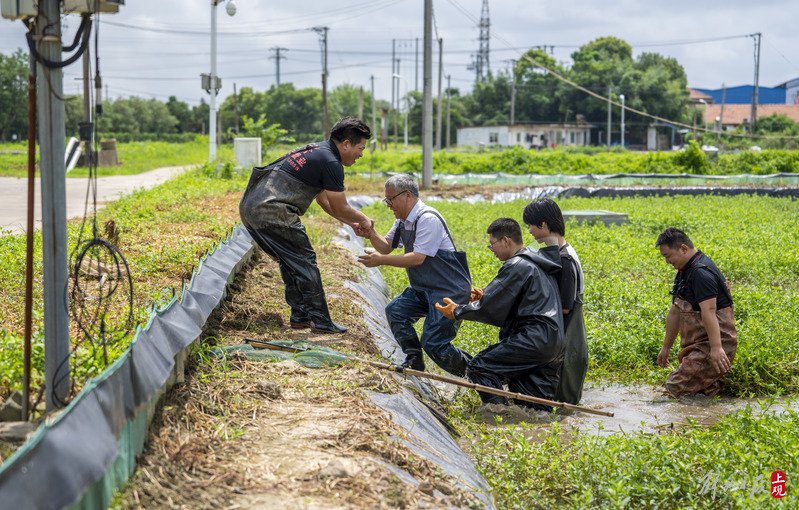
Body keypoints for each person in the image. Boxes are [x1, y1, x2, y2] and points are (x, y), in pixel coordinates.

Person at [239, 116, 374, 334]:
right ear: (346, 144)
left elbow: (324, 201)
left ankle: (300, 316)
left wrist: (352, 221)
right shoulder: (331, 162)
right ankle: (321, 321)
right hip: (272, 210)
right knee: (304, 261)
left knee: (291, 260)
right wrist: (364, 219)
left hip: (252, 206)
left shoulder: (319, 151)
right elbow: (341, 206)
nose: (361, 154)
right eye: (361, 147)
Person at [435, 218, 564, 411]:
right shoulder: (535, 262)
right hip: (553, 341)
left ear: (505, 241)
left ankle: (499, 414)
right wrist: (487, 296)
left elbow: (490, 307)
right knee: (533, 403)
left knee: (479, 367)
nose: (491, 249)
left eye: (492, 244)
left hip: (533, 338)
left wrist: (457, 311)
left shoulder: (517, 264)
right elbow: (514, 299)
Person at [358, 174, 472, 376]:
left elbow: (417, 258)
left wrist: (380, 261)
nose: (389, 205)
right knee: (396, 312)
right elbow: (386, 247)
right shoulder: (403, 221)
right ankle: (414, 360)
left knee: (434, 343)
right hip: (424, 288)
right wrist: (371, 234)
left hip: (448, 291)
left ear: (407, 195)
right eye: (387, 200)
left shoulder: (428, 218)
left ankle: (479, 375)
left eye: (390, 199)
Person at [655, 227, 737, 398]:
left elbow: (709, 311)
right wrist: (665, 348)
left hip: (713, 344)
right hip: (699, 345)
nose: (667, 261)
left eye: (668, 256)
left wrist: (715, 348)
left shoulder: (700, 272)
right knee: (702, 393)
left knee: (673, 389)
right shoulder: (685, 270)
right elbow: (676, 311)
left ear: (683, 249)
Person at [523, 199, 588, 405]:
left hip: (566, 345)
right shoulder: (556, 251)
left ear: (543, 225)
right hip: (561, 342)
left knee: (560, 407)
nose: (530, 231)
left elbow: (565, 307)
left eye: (531, 225)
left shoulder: (565, 259)